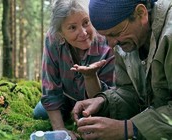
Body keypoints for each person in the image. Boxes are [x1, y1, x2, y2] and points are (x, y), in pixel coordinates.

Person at [72, 0, 172, 140]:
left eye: (114, 33)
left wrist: (128, 128)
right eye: (106, 37)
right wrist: (104, 101)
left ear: (141, 13)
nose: (112, 44)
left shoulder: (169, 34)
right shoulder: (126, 43)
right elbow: (131, 93)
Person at [33, 0, 115, 139]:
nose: (83, 33)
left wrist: (90, 76)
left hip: (98, 102)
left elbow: (107, 97)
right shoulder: (53, 40)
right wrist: (60, 129)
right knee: (40, 113)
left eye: (86, 23)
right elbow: (50, 87)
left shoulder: (106, 40)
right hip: (66, 98)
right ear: (60, 33)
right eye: (72, 27)